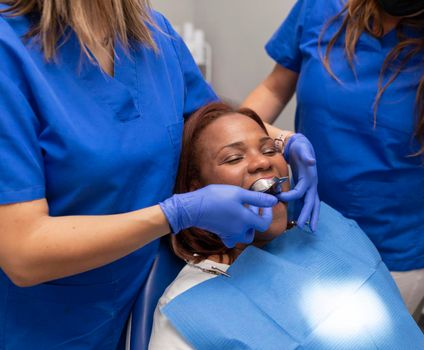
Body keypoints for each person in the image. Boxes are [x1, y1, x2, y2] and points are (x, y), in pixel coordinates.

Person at [0, 1, 317, 348]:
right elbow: (23, 254)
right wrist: (176, 213)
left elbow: (208, 125)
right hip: (36, 324)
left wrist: (285, 140)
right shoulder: (9, 52)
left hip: (139, 303)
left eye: (266, 153)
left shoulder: (154, 34)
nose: (260, 162)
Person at [242, 0, 424, 335]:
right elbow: (274, 88)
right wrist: (255, 140)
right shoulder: (321, 7)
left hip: (392, 253)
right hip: (304, 231)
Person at [148, 102, 424, 350]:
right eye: (234, 158)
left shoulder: (328, 232)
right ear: (196, 191)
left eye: (270, 149)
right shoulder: (189, 307)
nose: (262, 162)